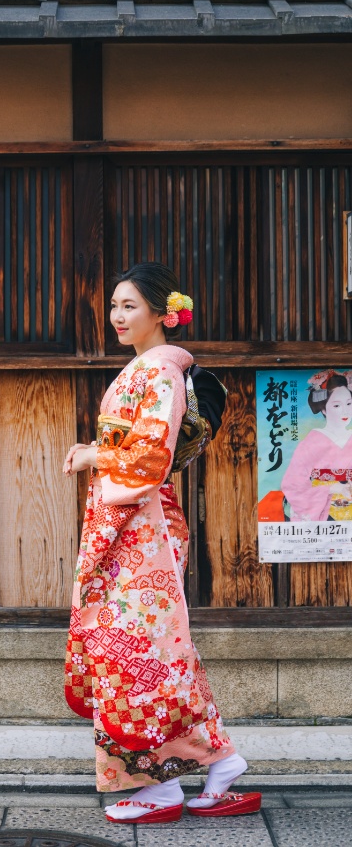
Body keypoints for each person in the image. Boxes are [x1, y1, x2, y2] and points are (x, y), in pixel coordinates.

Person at [62, 262, 260, 824]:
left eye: (130, 306)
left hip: (139, 527)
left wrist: (93, 455)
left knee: (132, 652)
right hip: (136, 522)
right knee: (155, 649)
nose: (118, 317)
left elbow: (149, 457)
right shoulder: (149, 371)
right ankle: (219, 761)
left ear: (160, 313)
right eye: (115, 307)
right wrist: (99, 454)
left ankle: (156, 785)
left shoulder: (159, 374)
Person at [282, 370, 352, 522]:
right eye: (337, 405)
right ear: (324, 409)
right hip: (325, 514)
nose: (345, 411)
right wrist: (331, 489)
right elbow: (292, 485)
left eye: (349, 403)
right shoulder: (310, 443)